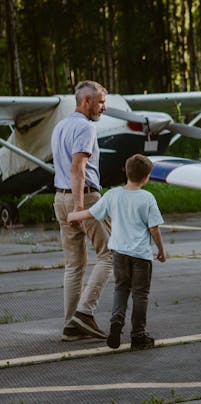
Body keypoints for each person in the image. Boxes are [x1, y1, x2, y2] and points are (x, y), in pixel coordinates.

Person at [68, 154, 166, 350]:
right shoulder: (147, 198)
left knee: (121, 289)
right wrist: (161, 250)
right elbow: (154, 228)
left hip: (119, 253)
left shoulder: (113, 194)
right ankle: (138, 334)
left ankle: (115, 325)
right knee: (140, 294)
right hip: (141, 256)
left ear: (126, 173)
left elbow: (91, 213)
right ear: (146, 177)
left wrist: (72, 215)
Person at [51, 80, 112, 342]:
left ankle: (70, 326)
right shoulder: (85, 127)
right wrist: (78, 208)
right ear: (86, 101)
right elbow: (79, 167)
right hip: (83, 199)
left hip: (59, 197)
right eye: (100, 102)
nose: (103, 108)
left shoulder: (61, 126)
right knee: (109, 253)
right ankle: (84, 313)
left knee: (74, 264)